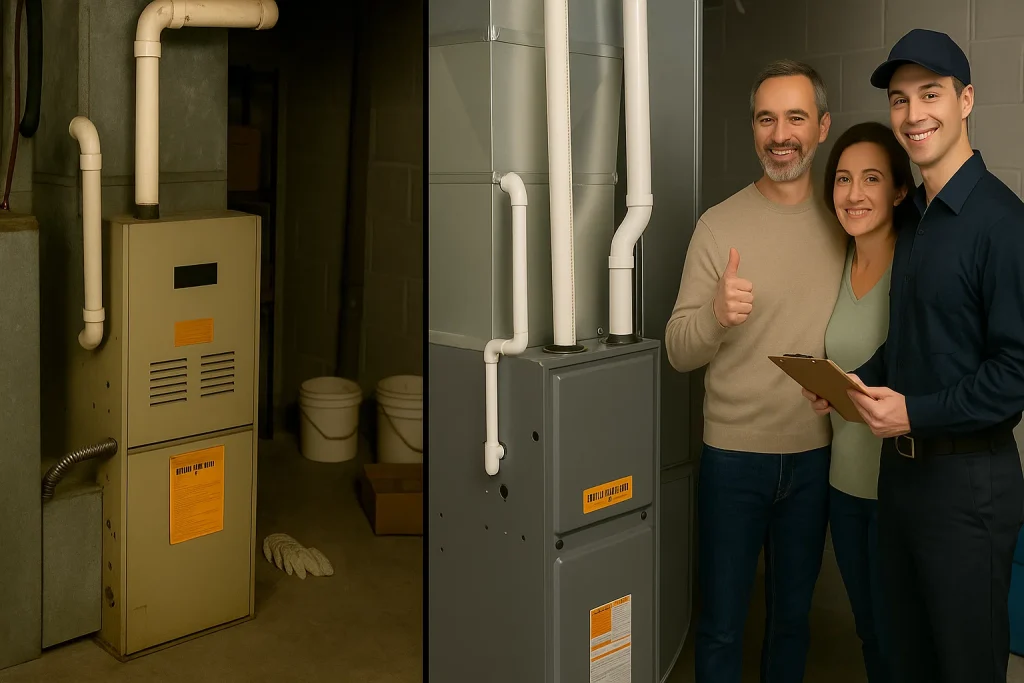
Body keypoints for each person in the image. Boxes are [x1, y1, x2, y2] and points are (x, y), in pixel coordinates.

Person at [803, 29, 1024, 683]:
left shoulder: (1003, 224)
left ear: (966, 100)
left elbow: (1015, 373)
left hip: (968, 493)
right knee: (904, 663)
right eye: (900, 100)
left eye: (930, 94)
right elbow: (912, 342)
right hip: (902, 489)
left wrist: (913, 413)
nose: (913, 114)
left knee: (964, 667)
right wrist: (853, 383)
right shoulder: (920, 217)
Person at [665, 59, 847, 683]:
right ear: (752, 130)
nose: (780, 134)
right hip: (732, 458)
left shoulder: (847, 222)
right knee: (720, 624)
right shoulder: (718, 226)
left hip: (815, 457)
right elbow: (678, 350)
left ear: (822, 127)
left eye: (796, 117)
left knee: (791, 621)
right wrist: (716, 316)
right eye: (766, 119)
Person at [818, 121, 915, 683]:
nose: (854, 194)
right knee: (870, 632)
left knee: (902, 637)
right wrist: (825, 388)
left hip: (897, 491)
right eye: (844, 179)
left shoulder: (917, 266)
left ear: (899, 190)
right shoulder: (837, 263)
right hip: (843, 485)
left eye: (871, 179)